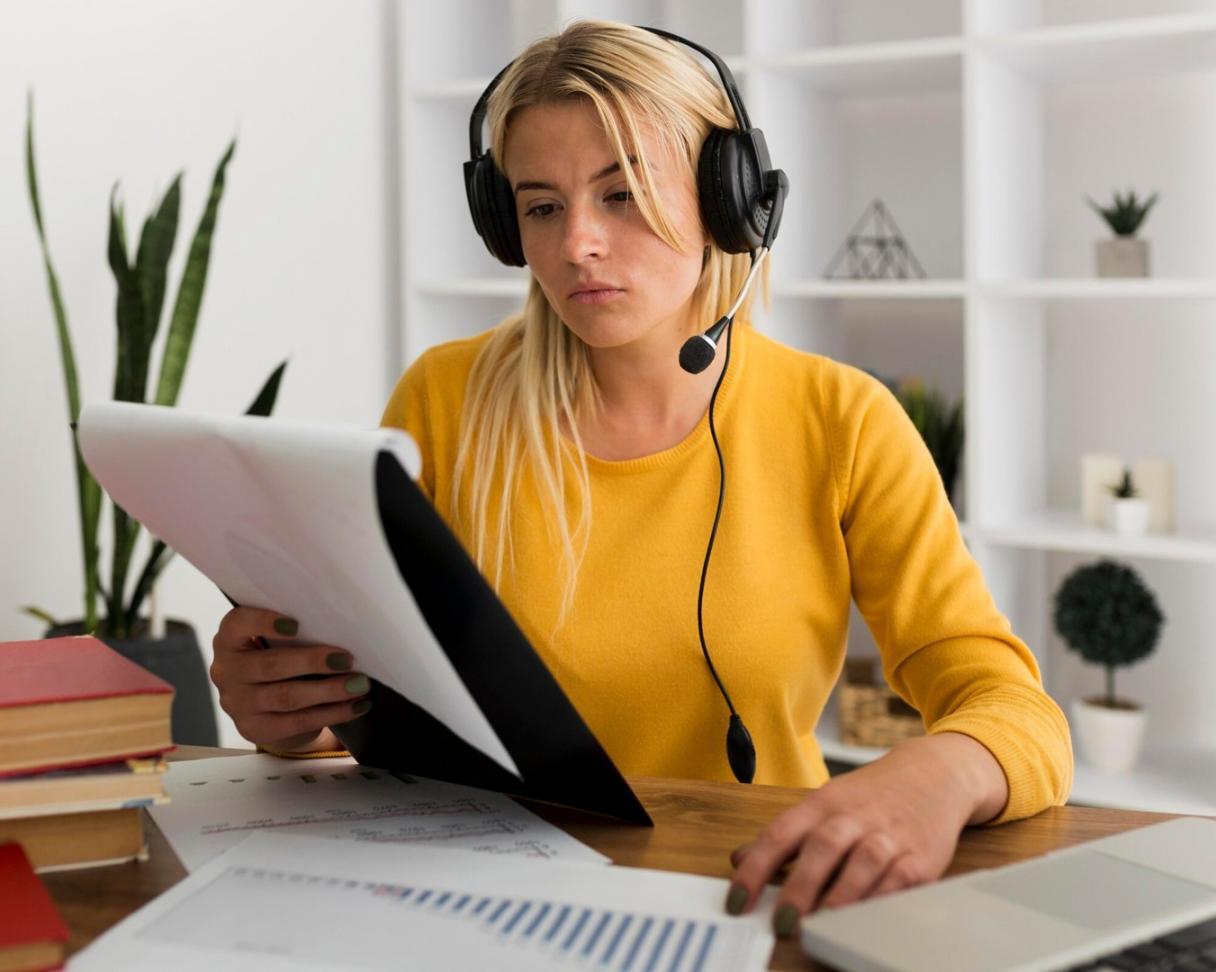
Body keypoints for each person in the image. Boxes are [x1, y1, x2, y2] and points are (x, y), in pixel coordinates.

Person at [208, 19, 1072, 939]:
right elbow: (393, 695)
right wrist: (293, 714)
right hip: (477, 891)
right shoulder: (444, 398)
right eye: (540, 207)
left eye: (621, 195)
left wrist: (937, 774)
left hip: (743, 888)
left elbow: (1012, 705)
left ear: (728, 200)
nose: (578, 243)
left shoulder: (843, 419)